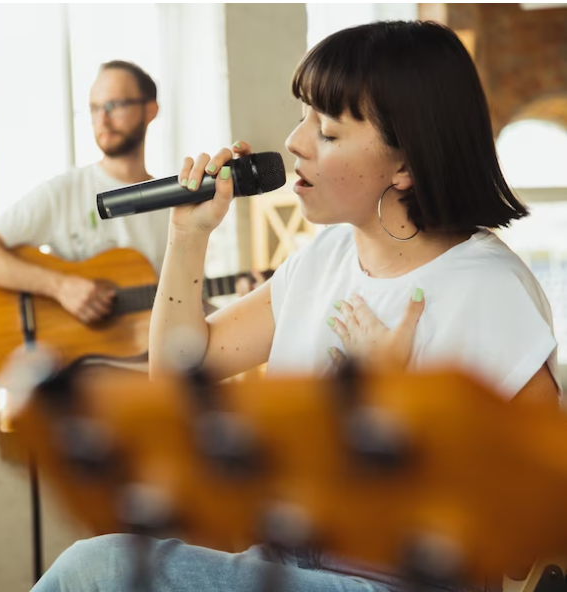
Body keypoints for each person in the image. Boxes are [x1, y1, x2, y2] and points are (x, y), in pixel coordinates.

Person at [30, 20, 560, 592]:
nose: (295, 142)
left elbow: (535, 528)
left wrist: (399, 408)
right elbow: (177, 371)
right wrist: (188, 236)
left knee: (100, 570)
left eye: (327, 131)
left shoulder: (487, 288)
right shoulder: (324, 258)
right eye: (303, 116)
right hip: (285, 562)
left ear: (405, 167)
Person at [0, 60, 171, 326]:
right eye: (94, 108)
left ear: (150, 110)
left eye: (115, 105)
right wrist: (59, 287)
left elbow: (183, 300)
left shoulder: (172, 206)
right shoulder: (64, 192)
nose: (102, 119)